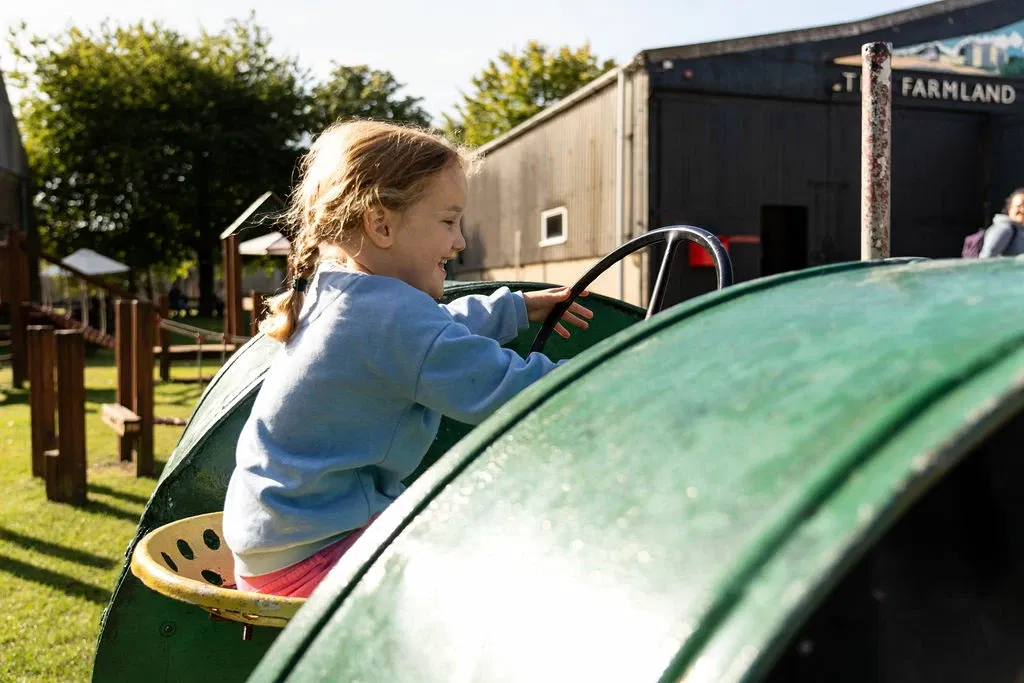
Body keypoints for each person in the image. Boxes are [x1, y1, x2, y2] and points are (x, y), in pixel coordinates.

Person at [222, 120, 593, 598]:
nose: (460, 241)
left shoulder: (343, 293)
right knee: (513, 572)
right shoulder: (386, 316)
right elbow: (508, 388)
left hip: (279, 548)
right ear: (381, 224)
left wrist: (515, 308)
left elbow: (433, 331)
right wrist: (613, 374)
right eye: (448, 222)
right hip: (317, 562)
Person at [980, 188, 1024, 258]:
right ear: (1009, 208)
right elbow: (987, 257)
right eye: (1019, 206)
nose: (1022, 209)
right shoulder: (1005, 229)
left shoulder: (1019, 230)